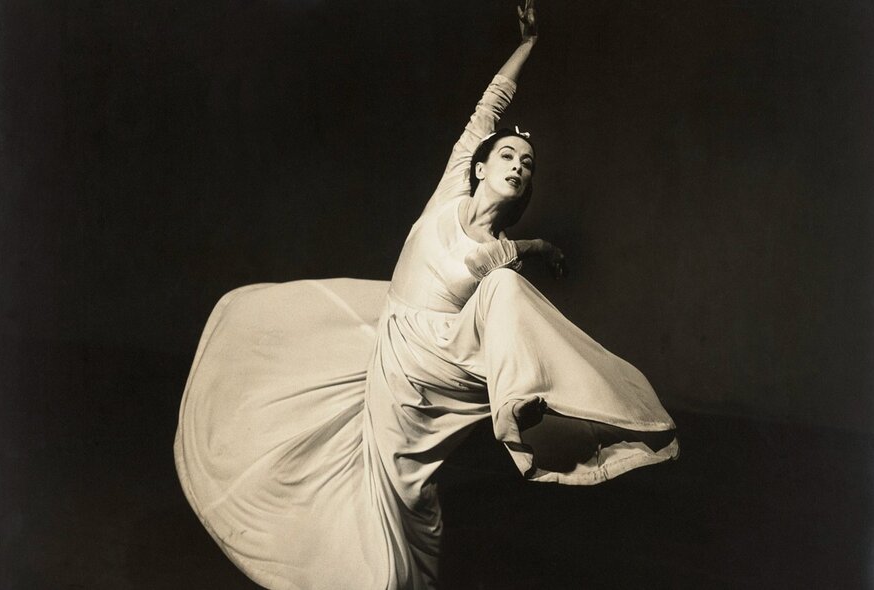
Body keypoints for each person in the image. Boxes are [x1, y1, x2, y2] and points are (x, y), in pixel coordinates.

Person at [174, 2, 678, 588]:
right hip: (398, 361)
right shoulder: (449, 196)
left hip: (443, 358)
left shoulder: (501, 251)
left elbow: (518, 257)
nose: (518, 165)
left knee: (505, 293)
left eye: (528, 164)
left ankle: (526, 403)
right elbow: (490, 105)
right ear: (482, 167)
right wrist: (531, 42)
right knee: (404, 499)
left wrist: (537, 248)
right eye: (508, 155)